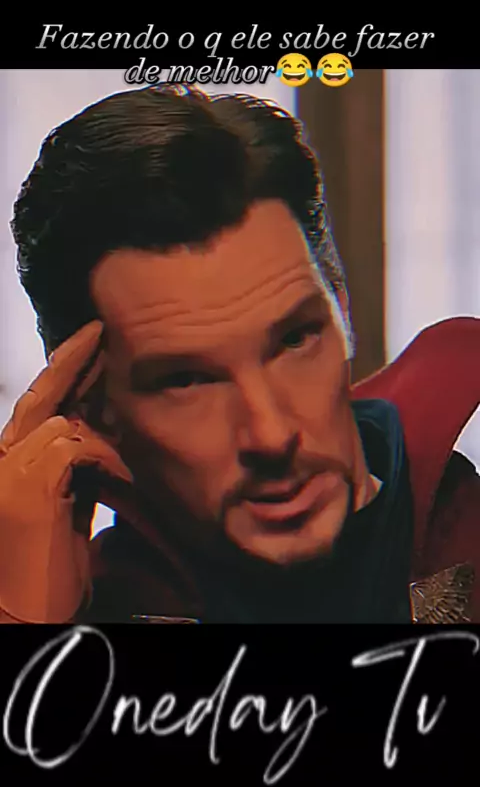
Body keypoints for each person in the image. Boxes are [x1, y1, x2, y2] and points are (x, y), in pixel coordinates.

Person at [0, 86, 478, 625]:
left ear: (340, 308)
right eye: (186, 380)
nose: (272, 435)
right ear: (88, 409)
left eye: (295, 339)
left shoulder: (462, 526)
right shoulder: (99, 603)